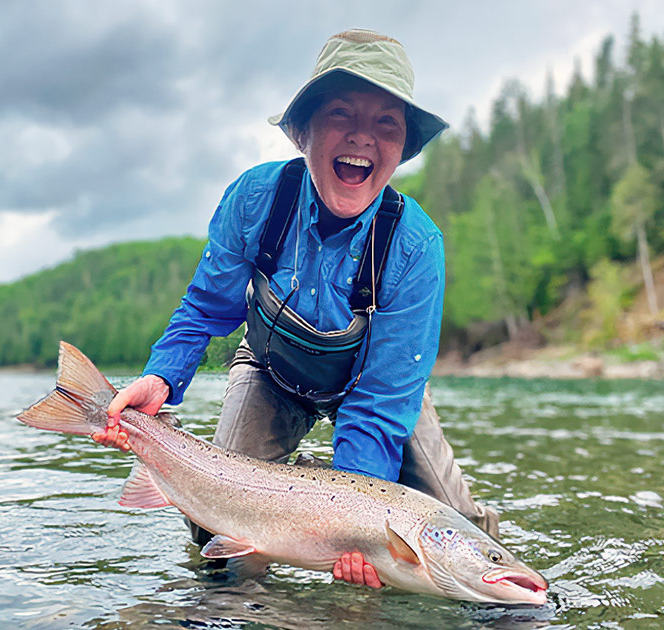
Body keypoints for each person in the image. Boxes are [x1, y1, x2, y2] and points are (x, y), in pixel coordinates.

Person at [93, 28, 498, 589]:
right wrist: (160, 379)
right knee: (212, 529)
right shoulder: (255, 198)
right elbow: (205, 309)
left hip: (376, 386)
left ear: (402, 148)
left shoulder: (415, 247)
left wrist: (355, 535)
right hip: (268, 370)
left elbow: (381, 404)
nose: (363, 136)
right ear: (303, 132)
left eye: (387, 123)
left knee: (459, 535)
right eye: (341, 113)